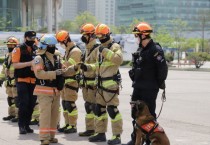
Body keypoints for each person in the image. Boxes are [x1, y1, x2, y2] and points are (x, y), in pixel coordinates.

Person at [126, 22, 168, 145]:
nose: (135, 38)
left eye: (136, 35)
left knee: (149, 117)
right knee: (135, 115)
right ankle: (135, 139)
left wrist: (158, 83)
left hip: (149, 89)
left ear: (143, 35)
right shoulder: (141, 50)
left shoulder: (155, 50)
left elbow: (162, 69)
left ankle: (149, 140)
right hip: (138, 88)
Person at [84, 23, 123, 145]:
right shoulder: (98, 49)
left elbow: (119, 59)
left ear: (107, 34)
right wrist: (87, 67)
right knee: (99, 109)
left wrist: (105, 51)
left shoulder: (114, 46)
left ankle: (116, 136)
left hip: (110, 85)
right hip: (100, 85)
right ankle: (100, 133)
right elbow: (97, 66)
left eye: (102, 36)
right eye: (98, 36)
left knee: (112, 110)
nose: (100, 38)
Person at [32, 34, 64, 145]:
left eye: (54, 45)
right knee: (45, 115)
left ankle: (51, 136)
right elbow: (39, 74)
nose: (53, 47)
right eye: (51, 45)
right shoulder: (38, 58)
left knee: (55, 116)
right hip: (44, 91)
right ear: (45, 46)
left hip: (56, 91)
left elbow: (63, 70)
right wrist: (55, 73)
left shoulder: (56, 57)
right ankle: (44, 138)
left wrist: (74, 69)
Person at [56, 30, 82, 134]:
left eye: (61, 42)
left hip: (71, 83)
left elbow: (67, 66)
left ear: (66, 40)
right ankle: (67, 124)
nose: (60, 44)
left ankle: (73, 125)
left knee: (70, 104)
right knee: (65, 104)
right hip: (65, 83)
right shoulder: (68, 50)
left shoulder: (75, 51)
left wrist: (61, 66)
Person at [12, 31, 37, 134]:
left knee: (31, 104)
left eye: (33, 38)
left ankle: (27, 125)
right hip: (22, 80)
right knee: (24, 103)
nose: (32, 40)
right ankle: (21, 126)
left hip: (33, 80)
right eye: (30, 38)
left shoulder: (36, 49)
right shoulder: (18, 49)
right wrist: (29, 63)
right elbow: (15, 65)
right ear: (25, 38)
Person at [78, 23, 100, 137]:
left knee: (95, 107)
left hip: (93, 84)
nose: (83, 37)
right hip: (86, 83)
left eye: (85, 35)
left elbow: (99, 66)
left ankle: (97, 130)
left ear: (91, 36)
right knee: (88, 106)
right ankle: (90, 129)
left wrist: (87, 67)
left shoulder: (97, 49)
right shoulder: (87, 49)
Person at [0, 37, 19, 122]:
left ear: (16, 46)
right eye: (8, 45)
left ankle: (18, 116)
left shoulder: (18, 55)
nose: (9, 46)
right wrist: (1, 79)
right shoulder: (8, 55)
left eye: (12, 45)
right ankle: (12, 114)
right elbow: (4, 68)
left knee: (17, 99)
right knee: (10, 99)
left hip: (15, 81)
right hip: (9, 82)